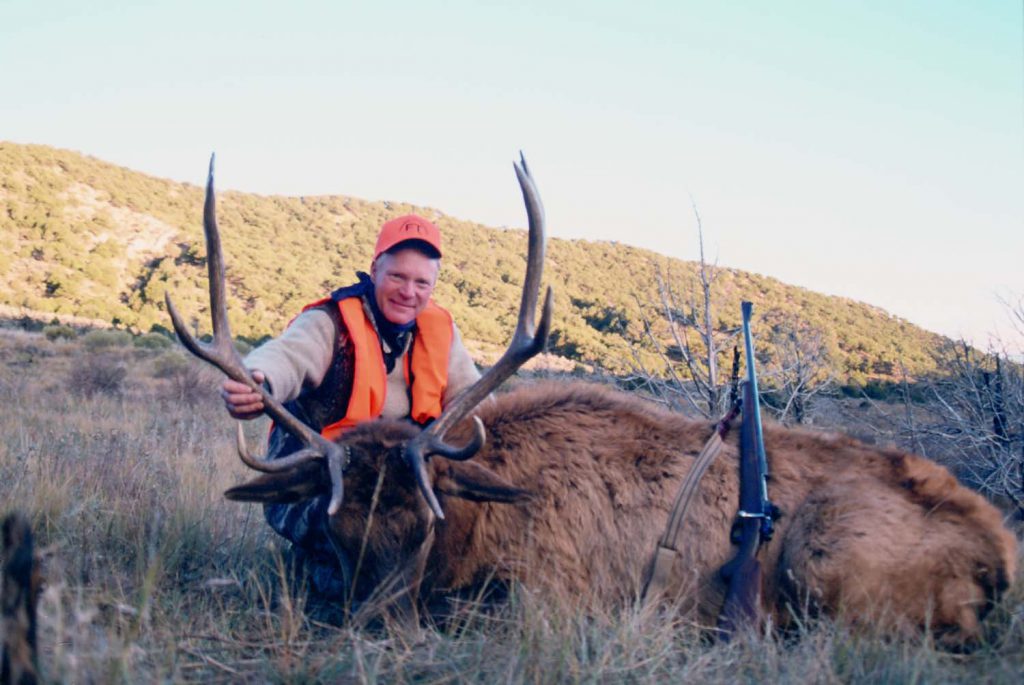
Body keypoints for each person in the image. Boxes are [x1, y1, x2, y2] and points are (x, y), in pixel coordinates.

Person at [220, 214, 482, 598]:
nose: (408, 291)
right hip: (324, 481)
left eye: (421, 282)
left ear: (433, 286)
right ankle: (316, 570)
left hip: (395, 486)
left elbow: (475, 401)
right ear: (375, 268)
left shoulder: (441, 332)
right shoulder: (330, 323)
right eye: (397, 277)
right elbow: (288, 355)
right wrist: (260, 381)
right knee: (348, 568)